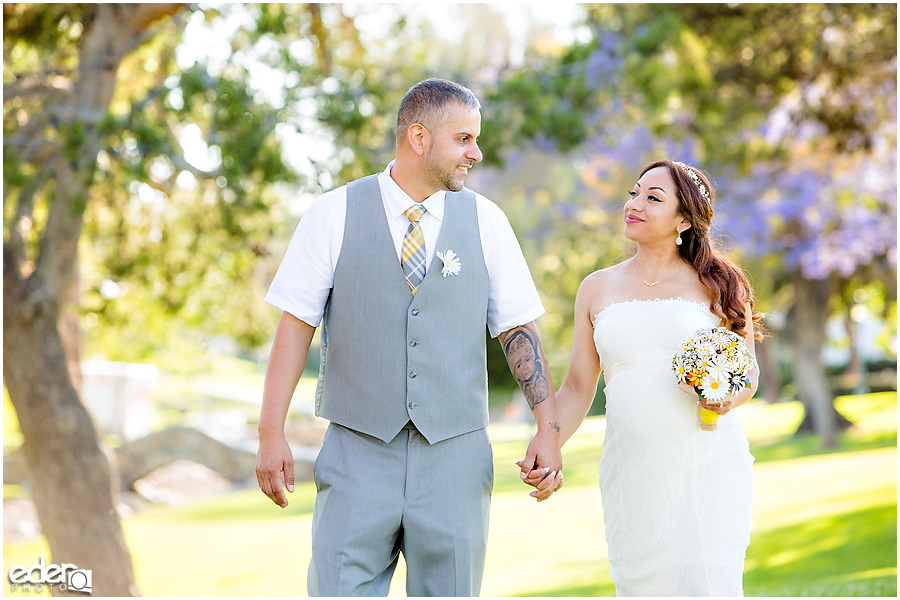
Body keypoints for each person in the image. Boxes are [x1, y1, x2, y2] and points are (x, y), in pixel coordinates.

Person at [255, 78, 563, 597]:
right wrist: (270, 433)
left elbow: (518, 329)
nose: (476, 153)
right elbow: (295, 327)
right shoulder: (333, 213)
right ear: (419, 137)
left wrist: (548, 429)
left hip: (455, 456)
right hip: (357, 449)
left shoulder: (487, 222)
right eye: (463, 139)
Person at [527, 159, 762, 596]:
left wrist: (726, 398)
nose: (634, 204)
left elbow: (746, 374)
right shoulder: (596, 287)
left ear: (685, 220)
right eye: (635, 192)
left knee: (709, 585)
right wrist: (548, 443)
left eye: (653, 198)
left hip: (708, 466)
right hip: (631, 472)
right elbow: (579, 385)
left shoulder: (720, 284)